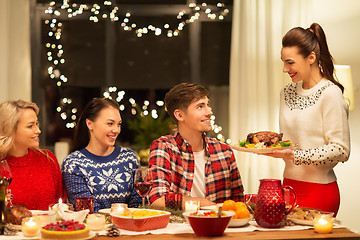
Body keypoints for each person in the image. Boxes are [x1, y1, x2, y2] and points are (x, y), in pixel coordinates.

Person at [263, 23, 350, 216]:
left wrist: (294, 156)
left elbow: (341, 150)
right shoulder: (286, 92)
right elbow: (291, 140)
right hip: (288, 188)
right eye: (283, 62)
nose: (285, 69)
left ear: (311, 58)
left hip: (319, 191)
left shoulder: (331, 94)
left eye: (290, 62)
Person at [148, 83, 244, 208]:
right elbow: (158, 199)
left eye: (208, 105)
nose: (209, 112)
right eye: (200, 106)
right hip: (179, 226)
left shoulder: (224, 151)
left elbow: (238, 202)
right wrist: (206, 204)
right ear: (179, 115)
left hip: (220, 225)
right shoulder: (164, 147)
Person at [62, 98, 141, 212]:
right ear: (90, 124)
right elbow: (87, 210)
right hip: (94, 228)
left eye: (118, 124)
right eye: (110, 124)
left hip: (131, 227)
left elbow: (138, 204)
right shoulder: (74, 164)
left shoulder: (129, 158)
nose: (116, 130)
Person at [0, 100, 66, 210]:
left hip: (47, 227)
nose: (38, 130)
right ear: (10, 129)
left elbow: (60, 203)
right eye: (30, 126)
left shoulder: (48, 159)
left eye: (37, 124)